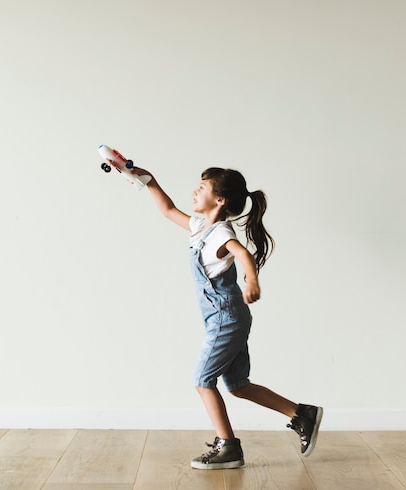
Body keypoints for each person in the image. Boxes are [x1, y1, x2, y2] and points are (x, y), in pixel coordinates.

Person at [133, 165, 323, 469]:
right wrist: (146, 180)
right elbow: (168, 210)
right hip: (223, 317)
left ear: (220, 199)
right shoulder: (200, 228)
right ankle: (302, 414)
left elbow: (243, 253)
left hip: (226, 317)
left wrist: (252, 281)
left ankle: (228, 446)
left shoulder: (220, 232)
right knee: (237, 385)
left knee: (202, 380)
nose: (195, 191)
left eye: (202, 187)